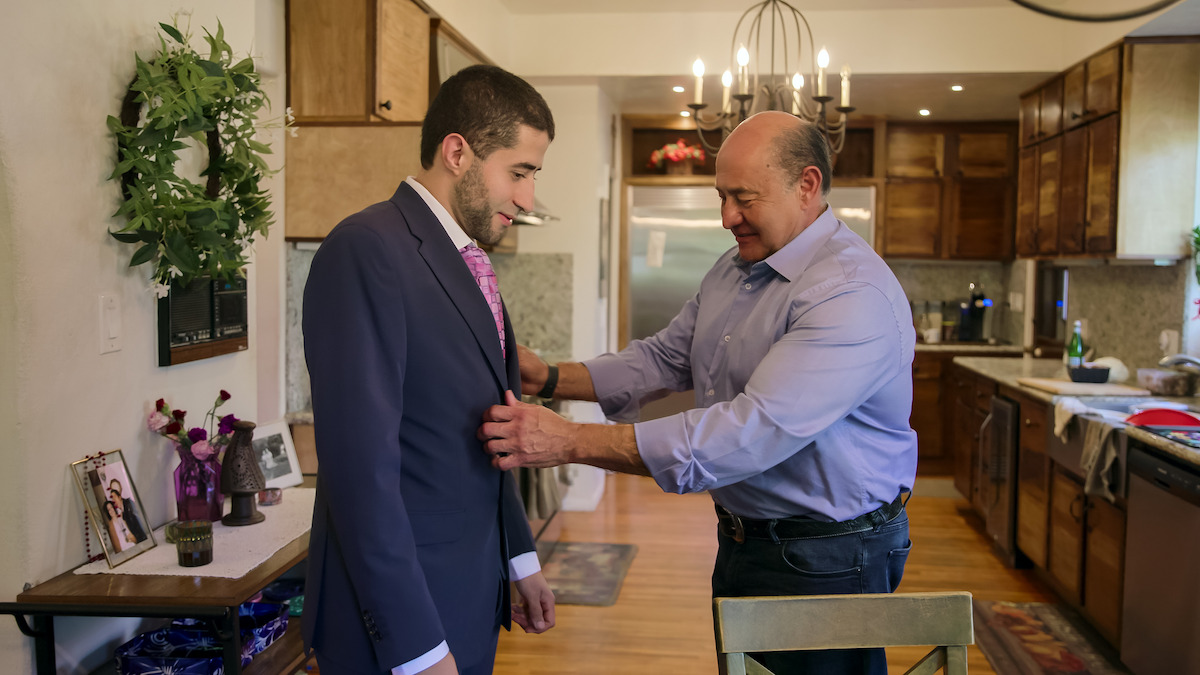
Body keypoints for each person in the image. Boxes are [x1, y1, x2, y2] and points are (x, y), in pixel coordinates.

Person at [479, 111, 917, 674]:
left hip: (829, 554)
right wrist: (550, 378)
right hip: (747, 537)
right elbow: (666, 357)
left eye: (744, 198)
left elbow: (746, 434)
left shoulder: (849, 292)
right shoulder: (736, 268)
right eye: (721, 197)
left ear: (807, 185)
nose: (727, 216)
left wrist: (568, 441)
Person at [302, 64, 557, 675]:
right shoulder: (367, 249)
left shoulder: (468, 259)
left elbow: (493, 427)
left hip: (469, 589)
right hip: (401, 621)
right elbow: (360, 474)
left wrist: (519, 558)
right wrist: (416, 646)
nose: (526, 199)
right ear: (457, 153)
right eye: (518, 173)